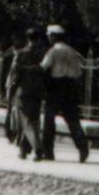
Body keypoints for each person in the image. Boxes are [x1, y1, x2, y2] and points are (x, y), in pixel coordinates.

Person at [39, 24, 90, 163]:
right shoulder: (72, 51)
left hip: (56, 87)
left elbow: (43, 67)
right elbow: (79, 72)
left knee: (49, 121)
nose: (49, 38)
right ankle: (83, 147)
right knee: (73, 120)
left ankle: (48, 151)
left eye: (50, 36)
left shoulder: (53, 51)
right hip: (70, 87)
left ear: (54, 36)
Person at [5, 26, 47, 161]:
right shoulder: (43, 54)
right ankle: (23, 150)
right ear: (39, 39)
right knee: (33, 120)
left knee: (27, 121)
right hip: (38, 91)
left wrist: (11, 90)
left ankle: (38, 149)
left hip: (24, 91)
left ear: (28, 39)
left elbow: (16, 76)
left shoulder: (22, 54)